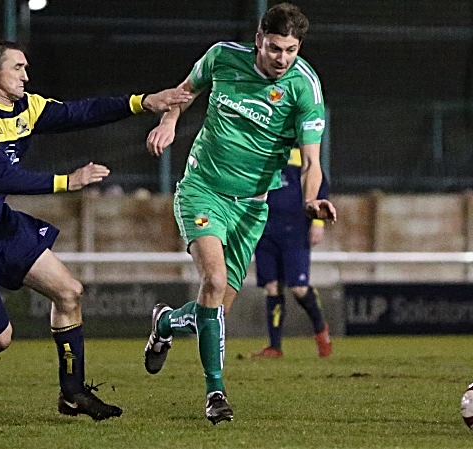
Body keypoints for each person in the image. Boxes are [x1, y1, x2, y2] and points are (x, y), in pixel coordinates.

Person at [0, 38, 190, 420]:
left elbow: (82, 112)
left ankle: (72, 393)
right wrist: (69, 181)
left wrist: (143, 102)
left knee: (69, 292)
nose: (26, 76)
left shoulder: (27, 107)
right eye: (18, 68)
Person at [143, 3, 337, 424]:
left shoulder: (305, 88)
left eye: (290, 49)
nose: (282, 58)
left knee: (214, 310)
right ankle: (216, 392)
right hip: (203, 189)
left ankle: (165, 324)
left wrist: (310, 203)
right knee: (212, 281)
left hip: (251, 208)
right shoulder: (221, 57)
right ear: (258, 41)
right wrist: (170, 121)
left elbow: (310, 162)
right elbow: (184, 92)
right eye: (274, 48)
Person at [251, 148, 332, 359]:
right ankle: (275, 346)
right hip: (265, 232)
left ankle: (320, 329)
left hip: (295, 232)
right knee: (271, 287)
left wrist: (317, 222)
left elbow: (319, 186)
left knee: (299, 289)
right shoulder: (261, 153)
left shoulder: (301, 156)